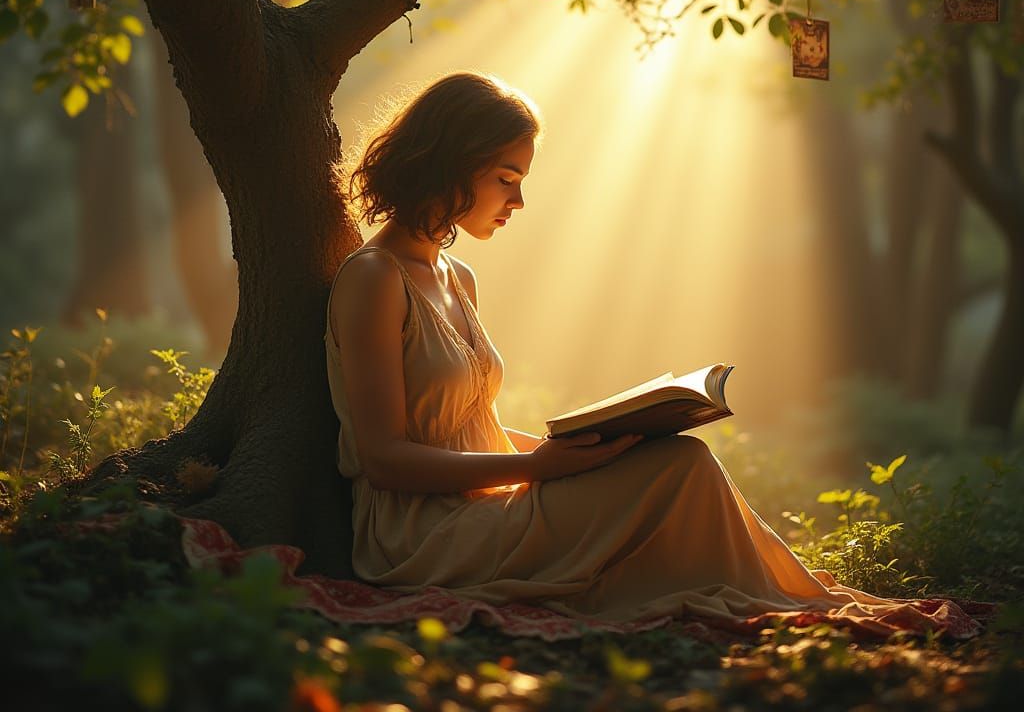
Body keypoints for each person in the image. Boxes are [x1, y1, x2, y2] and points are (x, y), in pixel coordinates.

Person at [324, 71, 977, 634]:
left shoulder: (455, 276)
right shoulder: (374, 278)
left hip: (486, 505)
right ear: (449, 163)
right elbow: (385, 460)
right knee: (681, 468)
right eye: (506, 178)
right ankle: (789, 596)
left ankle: (794, 590)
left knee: (672, 456)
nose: (519, 200)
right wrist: (544, 470)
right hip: (417, 538)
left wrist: (593, 447)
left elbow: (472, 431)